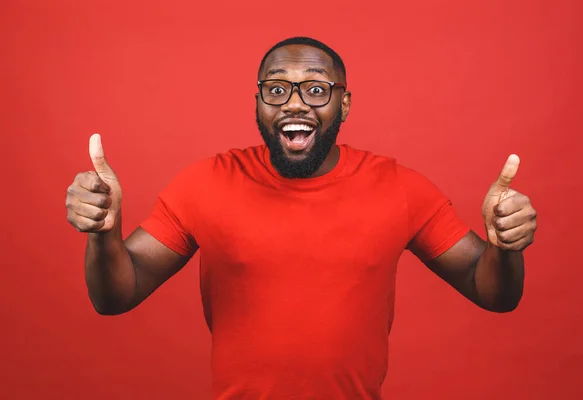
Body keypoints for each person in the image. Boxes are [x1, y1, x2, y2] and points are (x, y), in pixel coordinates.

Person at [65, 37, 537, 399]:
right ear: (257, 103)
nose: (294, 103)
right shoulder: (205, 184)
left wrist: (505, 246)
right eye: (276, 89)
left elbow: (492, 291)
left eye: (316, 89)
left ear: (344, 104)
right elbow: (117, 296)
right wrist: (104, 236)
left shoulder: (400, 188)